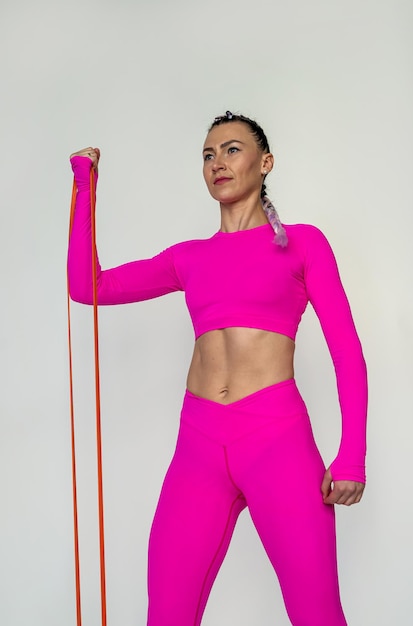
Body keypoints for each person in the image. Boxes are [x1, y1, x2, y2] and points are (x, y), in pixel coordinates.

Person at [68, 111, 367, 626]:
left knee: (317, 615)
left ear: (265, 162)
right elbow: (87, 287)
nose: (217, 163)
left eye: (231, 149)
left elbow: (346, 350)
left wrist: (353, 455)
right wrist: (83, 186)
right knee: (166, 615)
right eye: (208, 155)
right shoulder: (189, 258)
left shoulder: (304, 243)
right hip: (199, 448)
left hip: (278, 440)